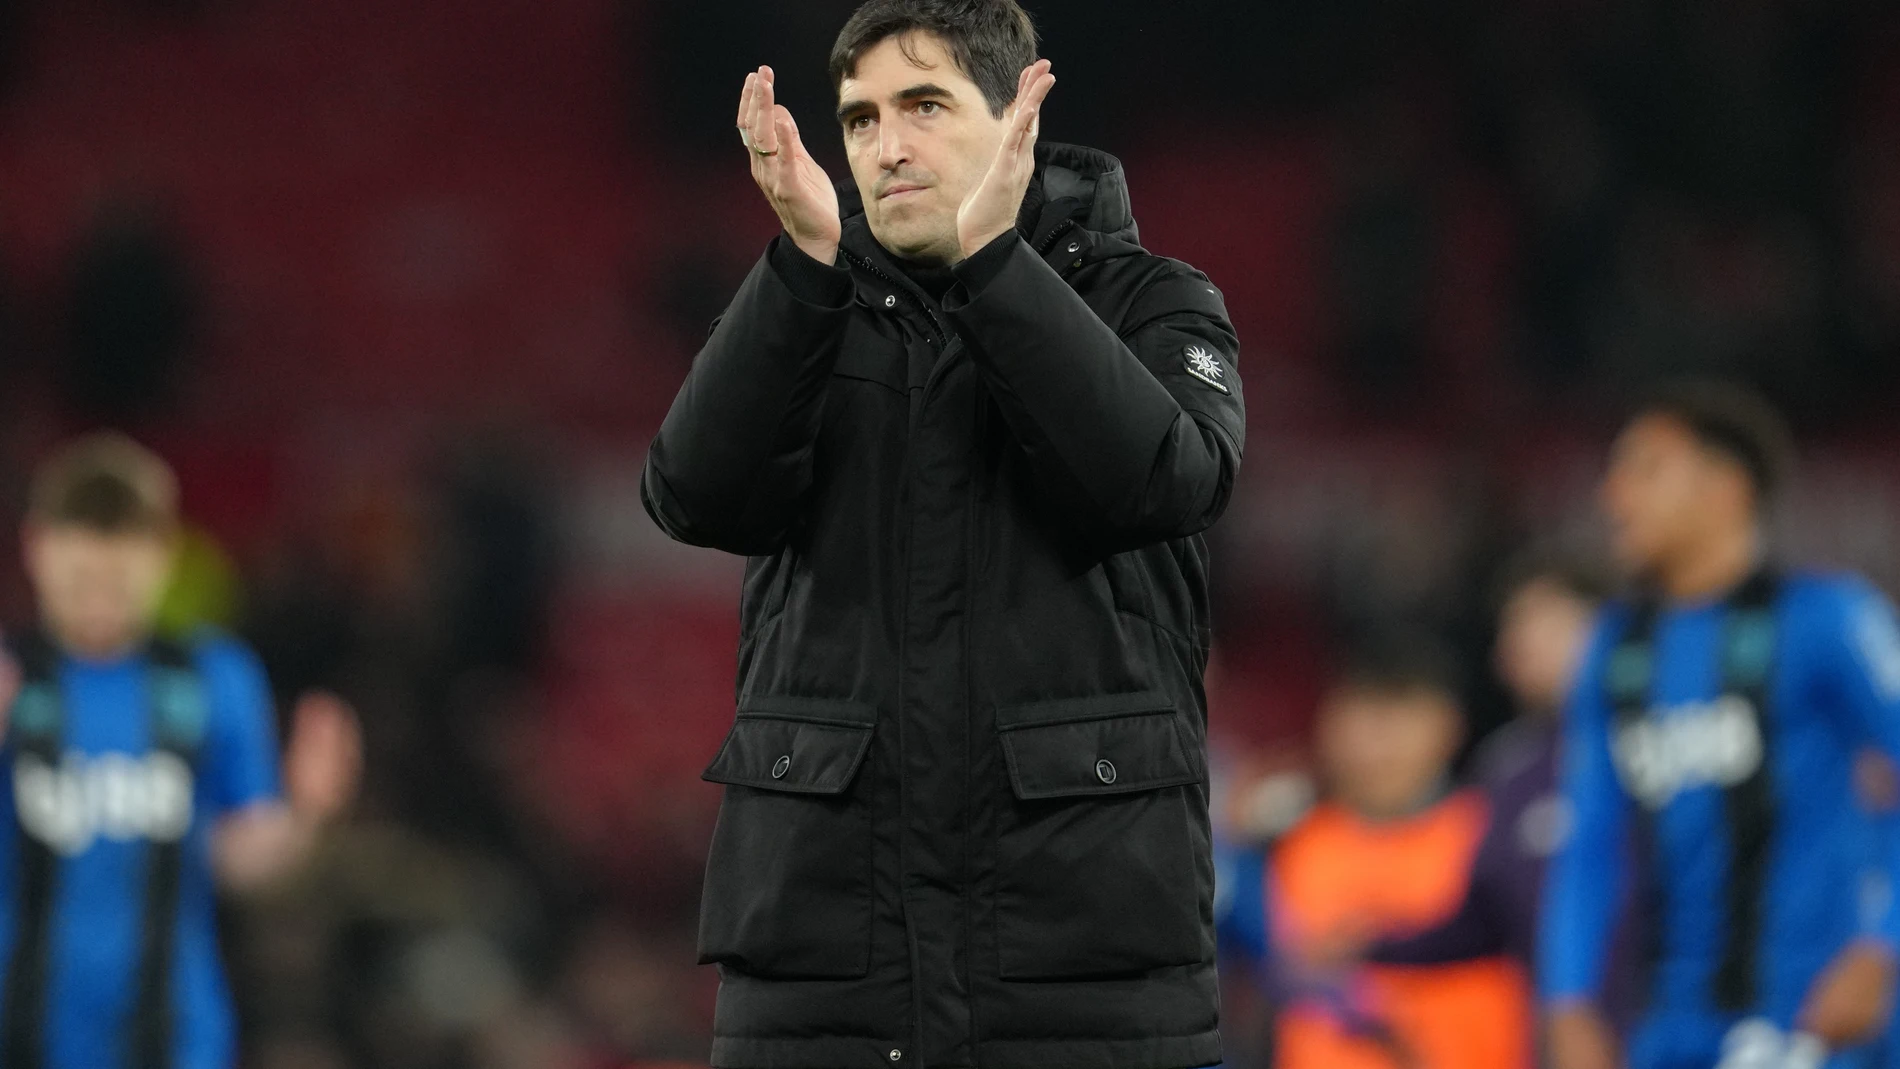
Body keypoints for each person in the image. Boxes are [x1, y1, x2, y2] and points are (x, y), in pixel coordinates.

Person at [639, 0, 1245, 1065]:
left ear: (1017, 117)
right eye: (860, 118)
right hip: (827, 992)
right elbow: (692, 496)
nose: (887, 147)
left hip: (1085, 989)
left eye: (923, 105)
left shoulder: (1155, 301)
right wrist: (801, 264)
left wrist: (995, 266)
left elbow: (1162, 482)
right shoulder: (806, 304)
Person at [1542, 382, 1900, 1069]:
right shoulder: (1614, 650)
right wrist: (1567, 999)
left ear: (1725, 488)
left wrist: (1883, 947)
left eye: (1646, 470)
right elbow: (1588, 842)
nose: (1614, 496)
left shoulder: (1829, 620)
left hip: (1809, 1022)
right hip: (1665, 1030)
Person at [0, 432, 362, 1069]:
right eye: (83, 573)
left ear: (163, 556)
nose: (100, 592)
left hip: (174, 1038)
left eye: (118, 571)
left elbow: (240, 858)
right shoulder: (9, 679)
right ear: (37, 548)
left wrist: (305, 814)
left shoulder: (214, 679)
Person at [1221, 634, 1536, 1069]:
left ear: (1449, 724)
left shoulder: (1491, 835)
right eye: (1362, 716)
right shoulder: (1289, 845)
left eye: (1398, 717)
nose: (1377, 742)